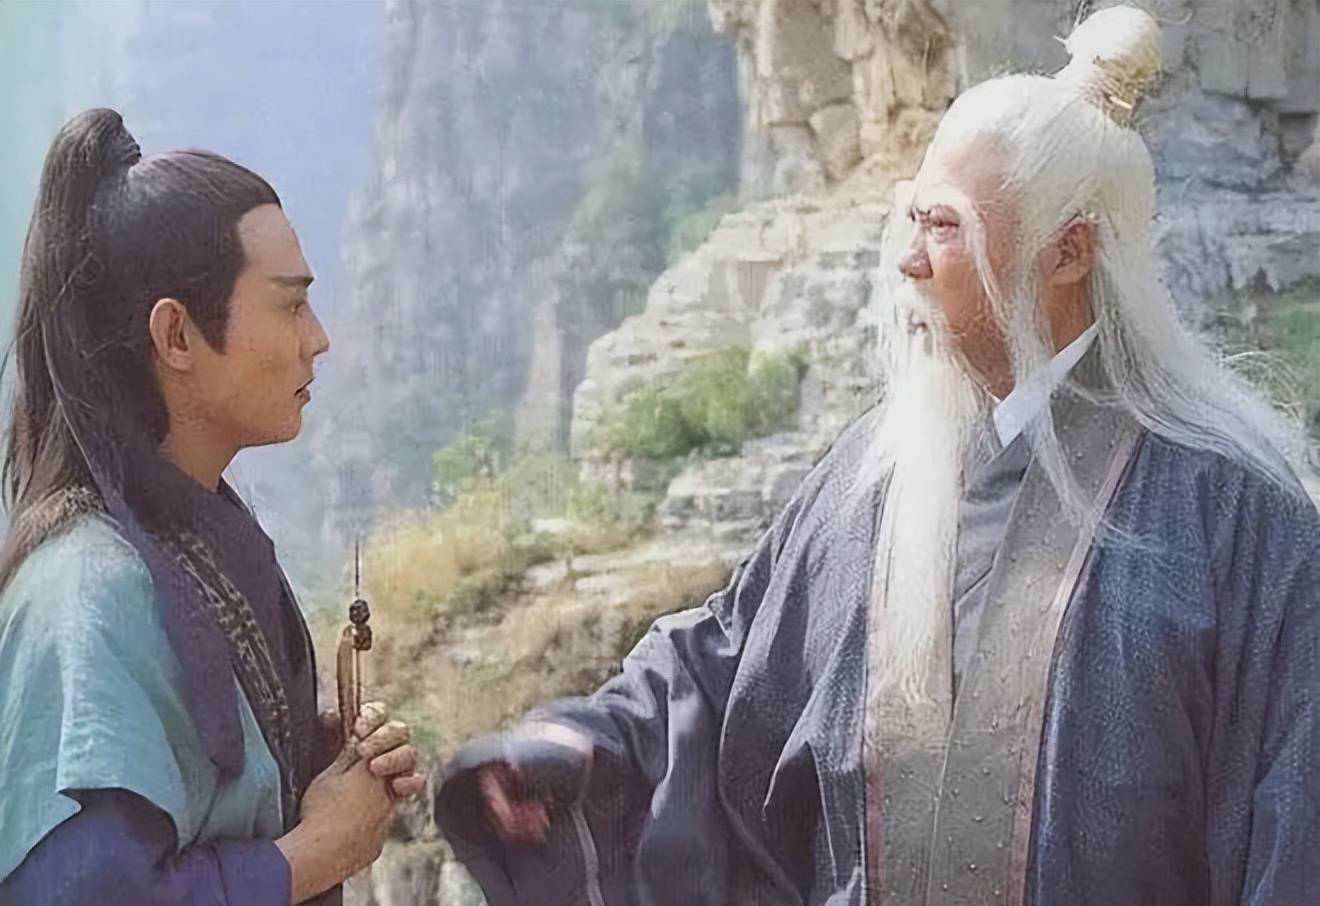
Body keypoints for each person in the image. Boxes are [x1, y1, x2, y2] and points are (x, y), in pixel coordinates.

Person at [434, 7, 1320, 905]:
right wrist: (577, 749)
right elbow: (724, 665)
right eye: (913, 219)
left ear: (1069, 252)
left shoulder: (1235, 518)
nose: (908, 262)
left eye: (945, 228)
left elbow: (1296, 830)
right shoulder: (878, 478)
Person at [0, 108, 426, 906]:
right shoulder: (87, 596)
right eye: (290, 306)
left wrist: (305, 764)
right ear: (177, 336)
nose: (318, 339)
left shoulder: (190, 538)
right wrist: (316, 851)